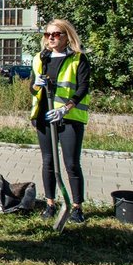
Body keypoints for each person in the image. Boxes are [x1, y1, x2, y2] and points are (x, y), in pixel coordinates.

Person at [30, 18, 91, 224]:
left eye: (56, 34)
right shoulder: (41, 58)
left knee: (71, 163)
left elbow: (83, 87)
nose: (51, 38)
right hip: (44, 117)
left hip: (69, 118)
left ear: (67, 36)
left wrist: (66, 108)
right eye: (48, 35)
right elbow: (32, 88)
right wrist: (36, 84)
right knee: (48, 161)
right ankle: (50, 203)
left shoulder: (78, 59)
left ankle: (76, 207)